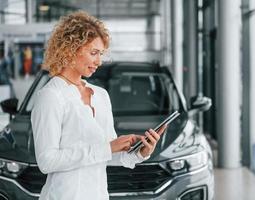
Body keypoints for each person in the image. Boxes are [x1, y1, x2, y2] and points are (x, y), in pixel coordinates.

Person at [31, 11, 166, 200]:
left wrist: (138, 153)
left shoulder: (100, 95)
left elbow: (108, 153)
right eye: (93, 53)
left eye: (101, 54)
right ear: (70, 49)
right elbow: (47, 161)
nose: (98, 62)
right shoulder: (51, 96)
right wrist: (108, 147)